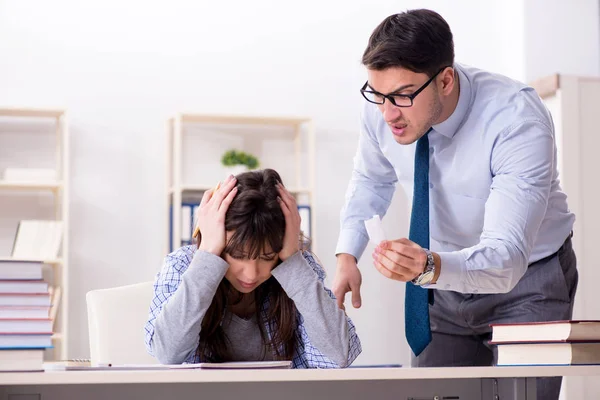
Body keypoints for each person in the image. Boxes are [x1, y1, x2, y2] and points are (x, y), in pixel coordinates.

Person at [332, 9, 576, 399]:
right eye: (377, 94)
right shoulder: (383, 107)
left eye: (402, 96)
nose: (388, 113)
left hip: (528, 281)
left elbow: (507, 256)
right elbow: (371, 177)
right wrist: (347, 255)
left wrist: (428, 265)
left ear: (445, 80)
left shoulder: (515, 119)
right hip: (440, 284)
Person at [145, 169, 361, 368]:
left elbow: (339, 355)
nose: (251, 274)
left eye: (267, 257)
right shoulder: (183, 265)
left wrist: (292, 263)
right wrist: (208, 255)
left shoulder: (297, 267)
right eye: (237, 256)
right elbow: (167, 353)